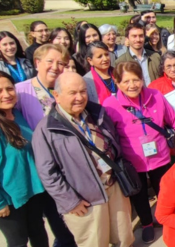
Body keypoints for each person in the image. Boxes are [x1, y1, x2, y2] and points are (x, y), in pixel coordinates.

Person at [32, 72, 135, 247]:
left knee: (124, 238)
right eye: (72, 93)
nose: (79, 97)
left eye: (83, 91)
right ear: (56, 95)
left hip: (113, 187)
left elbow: (114, 142)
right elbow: (47, 173)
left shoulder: (96, 114)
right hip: (85, 200)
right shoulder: (47, 129)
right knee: (94, 243)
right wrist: (71, 202)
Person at [101, 61, 175, 243]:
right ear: (117, 82)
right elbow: (107, 137)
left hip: (160, 155)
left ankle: (167, 218)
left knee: (165, 190)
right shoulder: (110, 105)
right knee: (139, 195)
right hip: (132, 160)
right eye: (126, 81)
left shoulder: (155, 96)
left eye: (136, 80)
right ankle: (146, 223)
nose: (132, 85)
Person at [0, 71, 49, 247]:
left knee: (39, 236)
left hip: (30, 194)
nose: (6, 94)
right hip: (6, 199)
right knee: (18, 241)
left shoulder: (17, 116)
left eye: (9, 89)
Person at [16, 44, 98, 129]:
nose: (55, 67)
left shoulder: (68, 89)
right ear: (37, 63)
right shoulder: (20, 91)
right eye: (50, 61)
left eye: (60, 63)